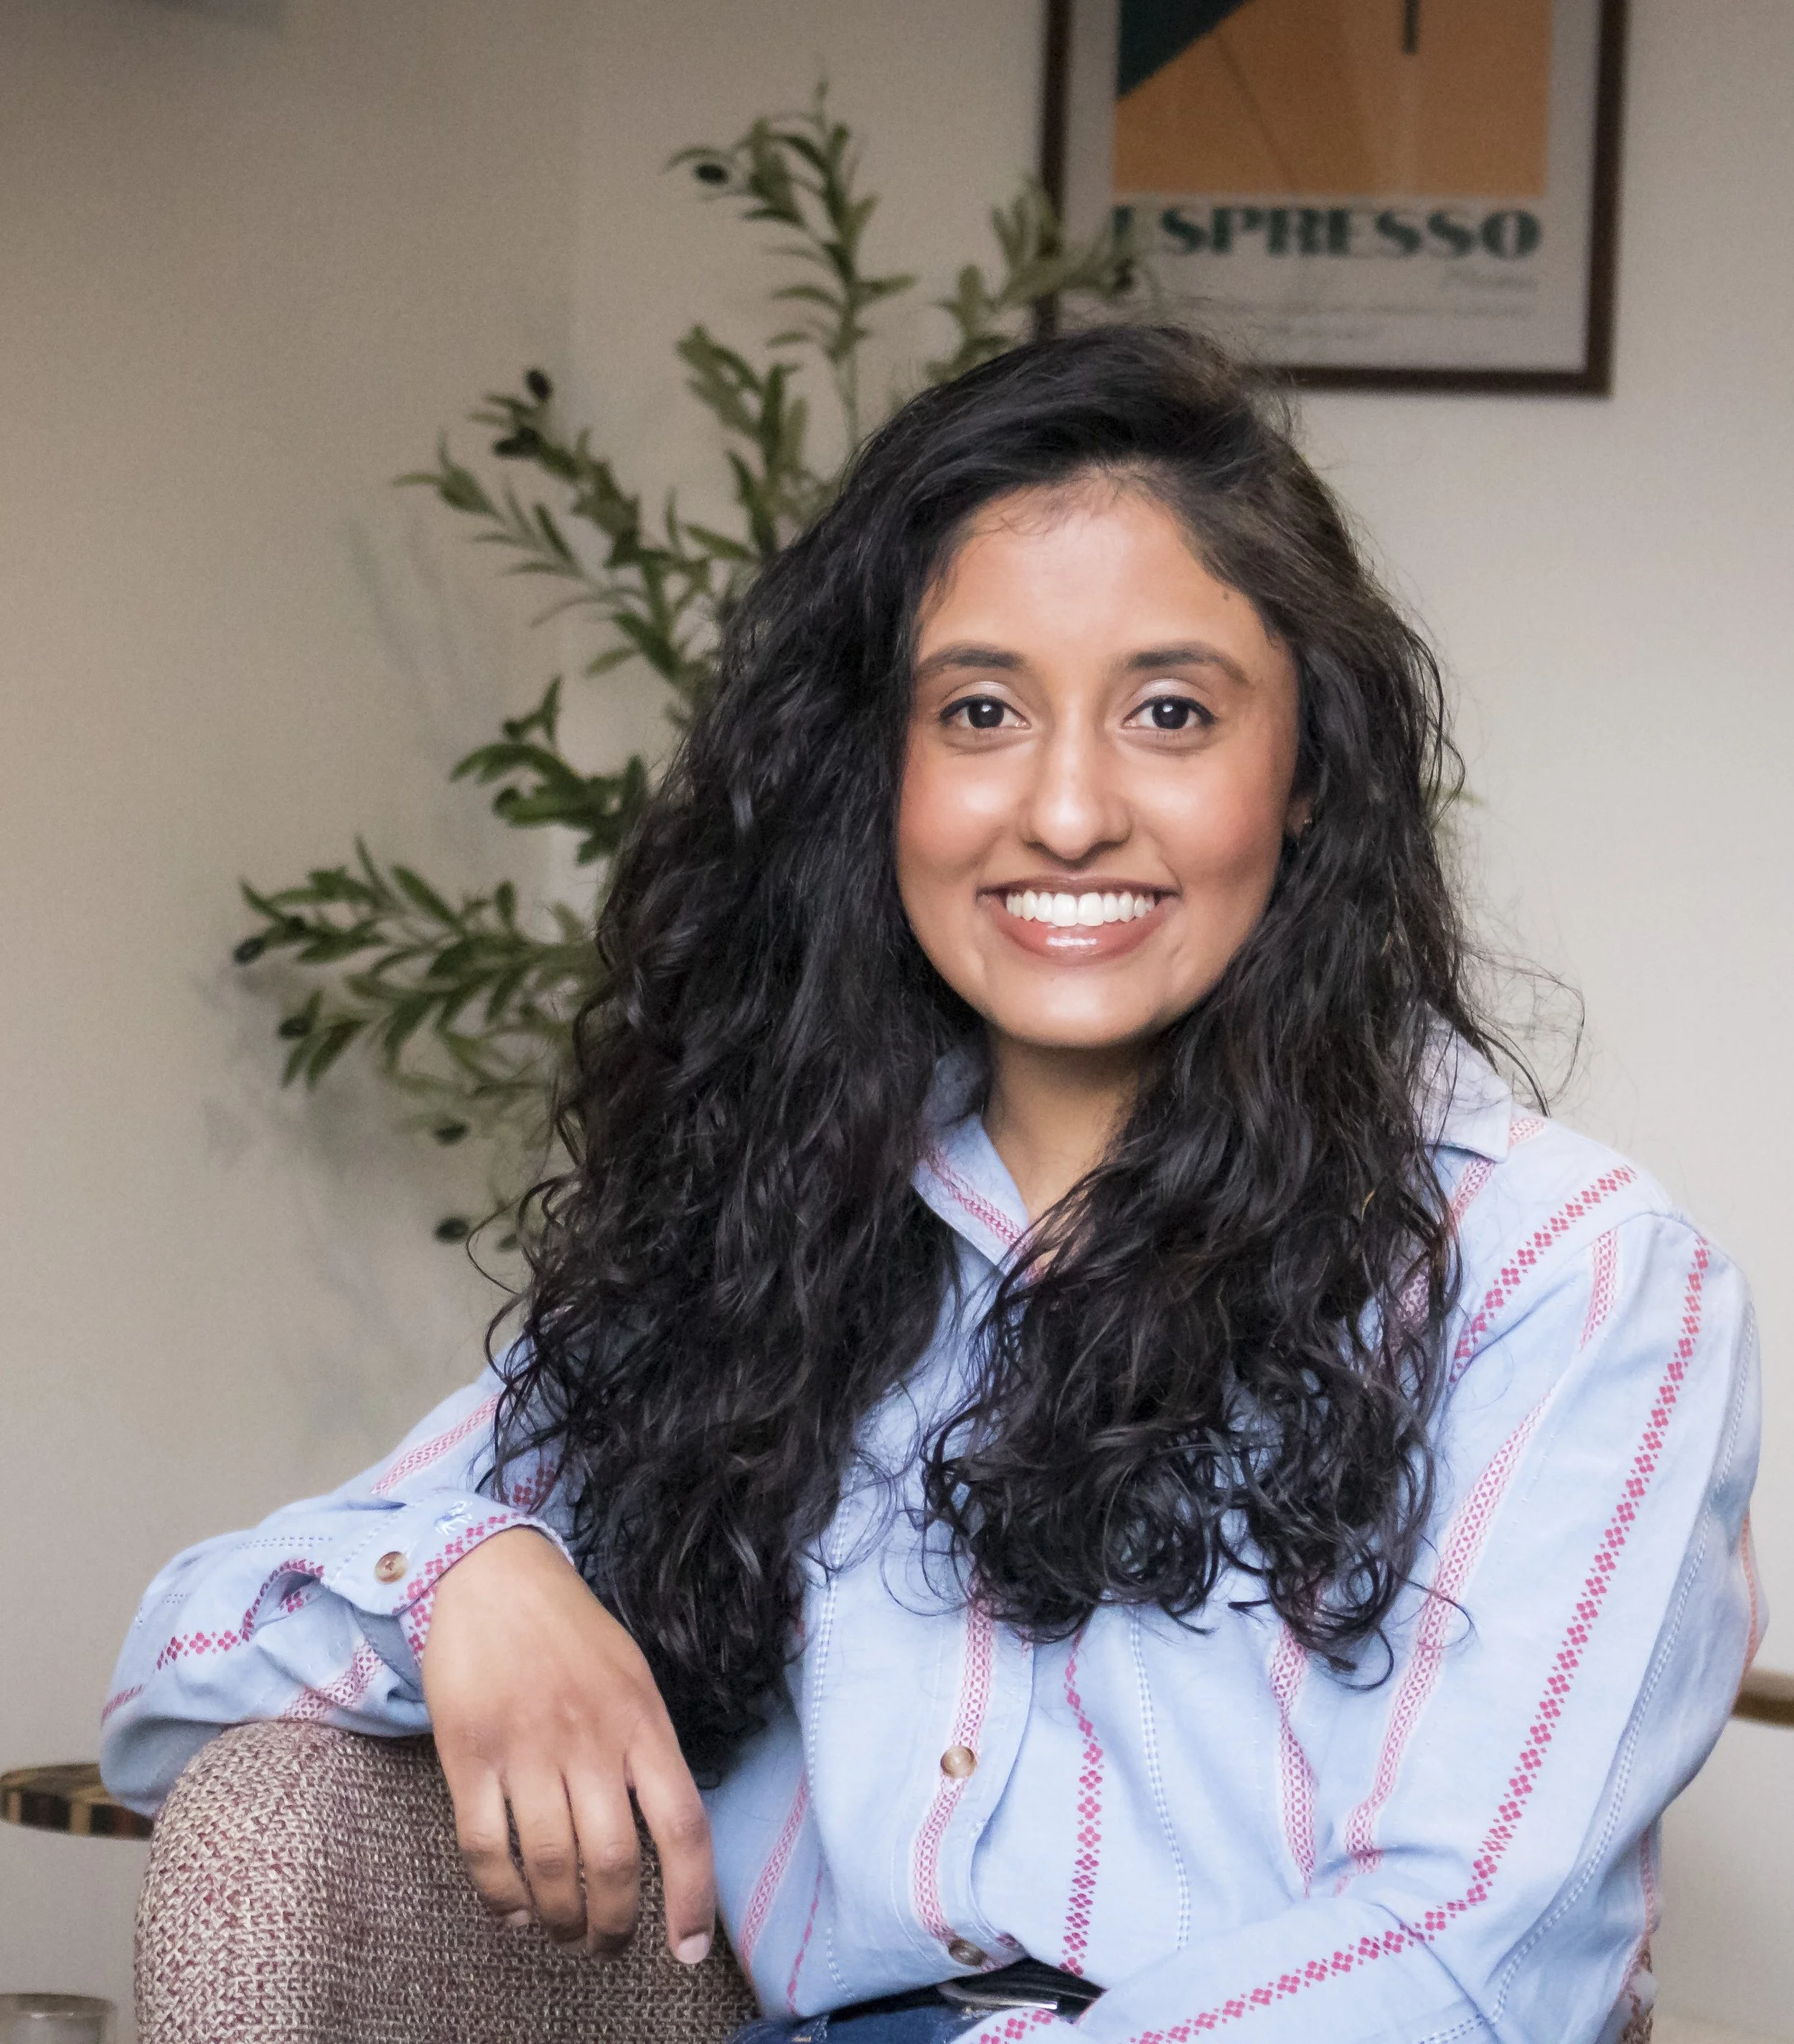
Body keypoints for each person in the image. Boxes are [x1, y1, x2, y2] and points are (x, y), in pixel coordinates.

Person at [103, 326, 1760, 2044]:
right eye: (979, 710)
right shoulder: (774, 1230)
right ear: (875, 774)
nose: (1062, 808)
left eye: (1169, 712)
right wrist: (467, 1578)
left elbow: (1473, 1959)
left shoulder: (1561, 1273)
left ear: (1312, 776)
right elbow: (171, 1672)